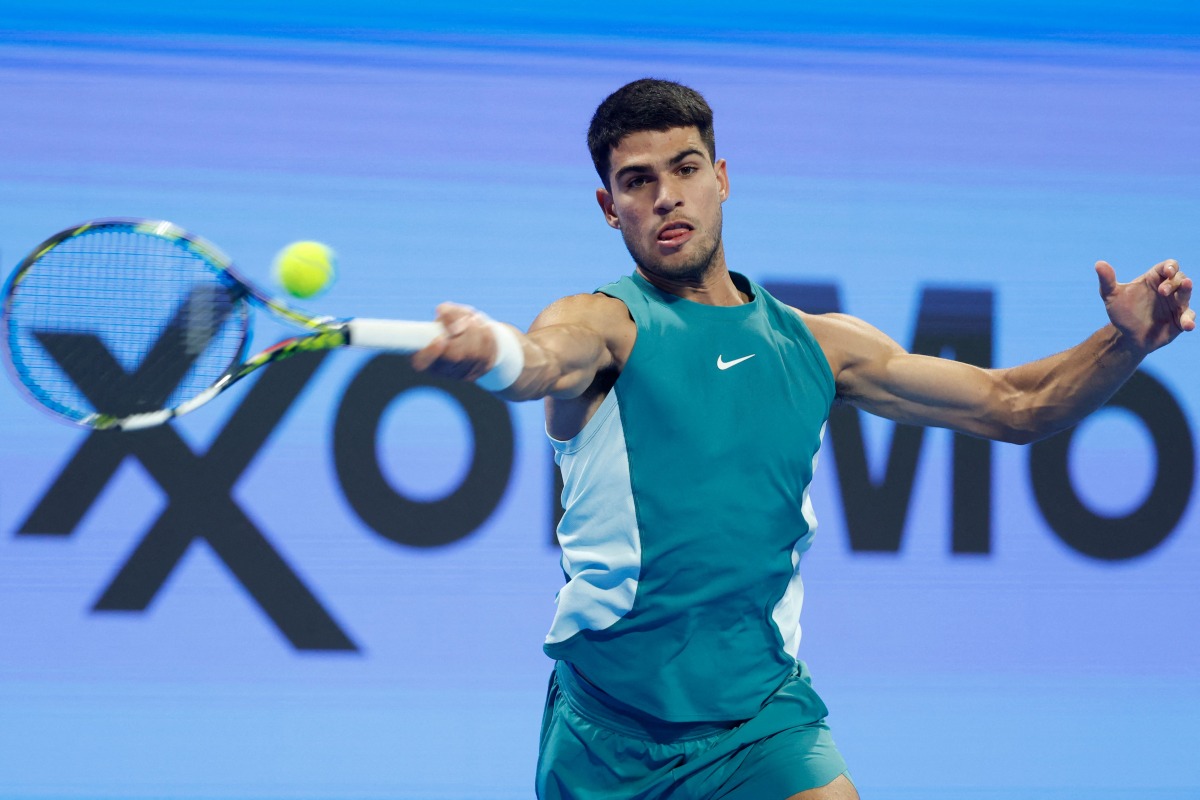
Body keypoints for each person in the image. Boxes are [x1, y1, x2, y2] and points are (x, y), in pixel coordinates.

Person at [410, 78, 1194, 800]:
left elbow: (1016, 406)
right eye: (636, 182)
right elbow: (541, 360)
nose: (665, 197)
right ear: (609, 207)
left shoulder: (819, 346)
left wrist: (1123, 344)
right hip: (608, 733)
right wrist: (496, 352)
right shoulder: (603, 324)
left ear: (722, 176)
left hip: (762, 719)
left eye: (684, 169)